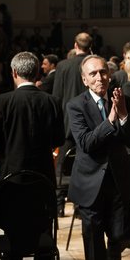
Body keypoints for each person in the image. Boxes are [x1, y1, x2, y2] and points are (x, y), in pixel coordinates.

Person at [0, 51, 64, 260]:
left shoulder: (4, 101)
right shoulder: (51, 101)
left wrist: (9, 149)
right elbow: (59, 139)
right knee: (43, 230)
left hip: (12, 179)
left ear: (14, 73)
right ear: (37, 73)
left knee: (11, 231)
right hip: (42, 179)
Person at [66, 55, 130, 260]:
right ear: (84, 79)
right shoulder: (75, 105)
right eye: (93, 74)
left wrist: (123, 115)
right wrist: (110, 120)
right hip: (89, 185)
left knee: (121, 235)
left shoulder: (120, 98)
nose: (100, 78)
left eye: (104, 72)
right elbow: (86, 143)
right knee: (93, 247)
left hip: (118, 182)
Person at [52, 32, 93, 216]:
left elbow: (57, 97)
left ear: (75, 45)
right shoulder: (93, 64)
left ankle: (59, 205)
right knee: (83, 164)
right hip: (89, 123)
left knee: (61, 165)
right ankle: (79, 206)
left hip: (67, 122)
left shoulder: (63, 66)